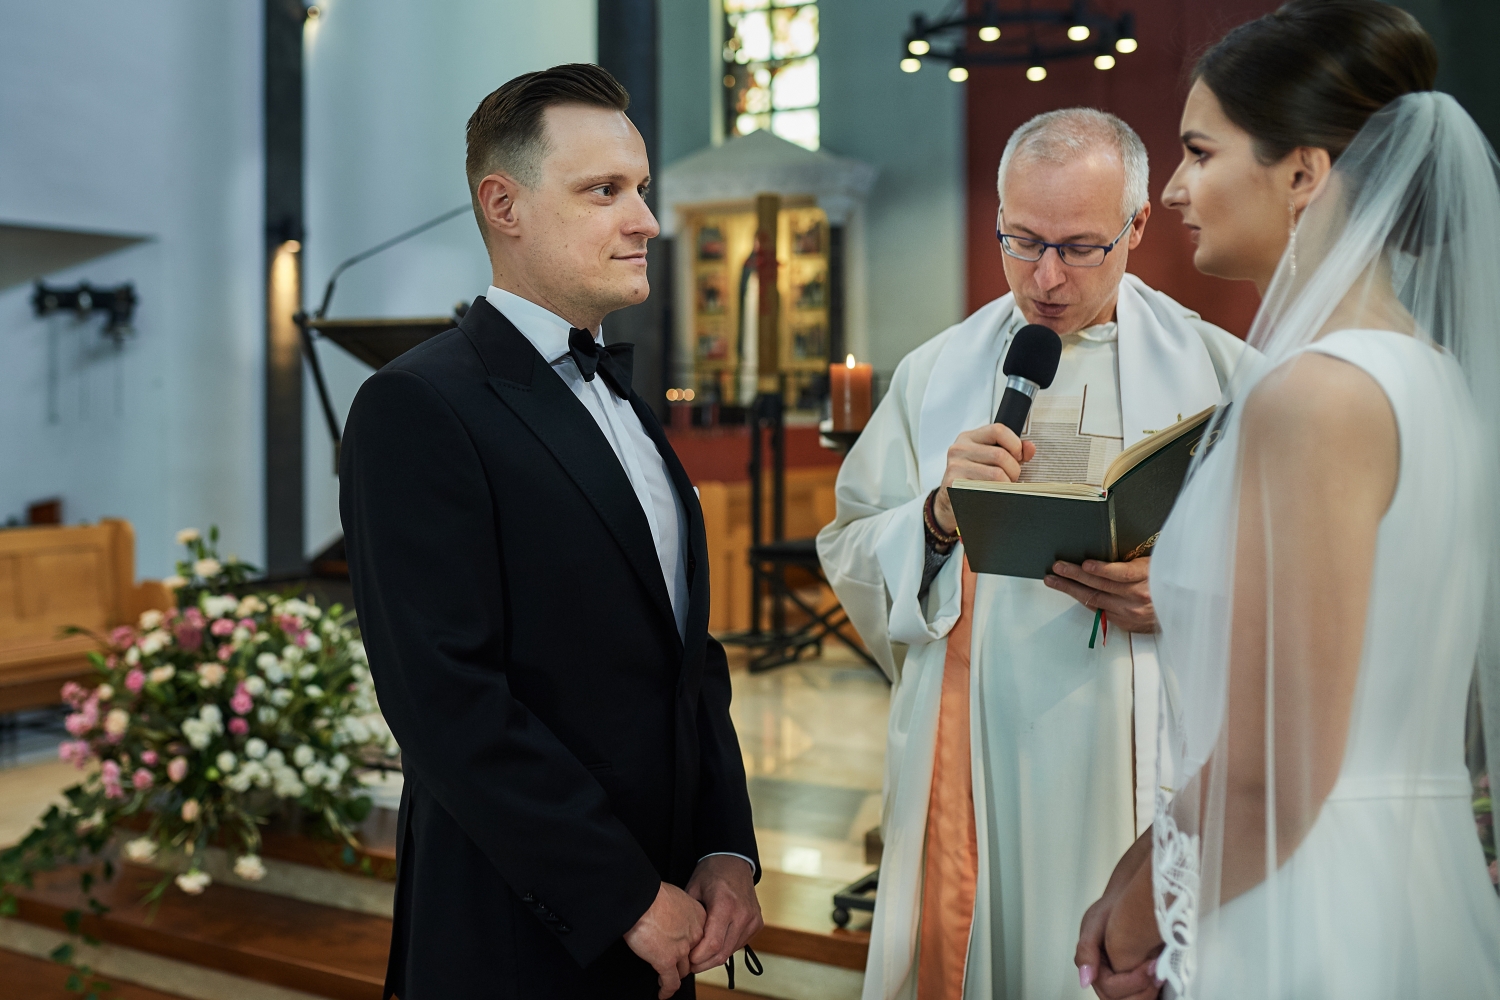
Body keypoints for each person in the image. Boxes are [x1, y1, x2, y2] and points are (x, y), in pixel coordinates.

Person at [1075, 3, 1500, 998]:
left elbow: (1279, 771)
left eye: (1199, 151)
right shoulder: (1429, 376)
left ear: (1303, 173)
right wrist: (1137, 870)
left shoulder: (1314, 397)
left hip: (1307, 896)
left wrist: (1134, 932)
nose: (1173, 188)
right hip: (1403, 866)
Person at [340, 64, 761, 1000]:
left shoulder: (624, 400)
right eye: (604, 191)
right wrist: (623, 895)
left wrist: (725, 847)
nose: (646, 220)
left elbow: (685, 654)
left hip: (672, 903)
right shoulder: (417, 405)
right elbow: (446, 701)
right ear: (505, 205)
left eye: (640, 188)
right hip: (517, 922)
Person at [818, 109, 1248, 1000]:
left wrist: (1190, 594)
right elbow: (851, 543)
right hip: (980, 758)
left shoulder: (1223, 374)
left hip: (1138, 755)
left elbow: (1310, 585)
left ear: (1137, 224)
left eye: (1080, 247)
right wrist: (936, 516)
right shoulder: (936, 373)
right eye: (1022, 241)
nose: (1046, 278)